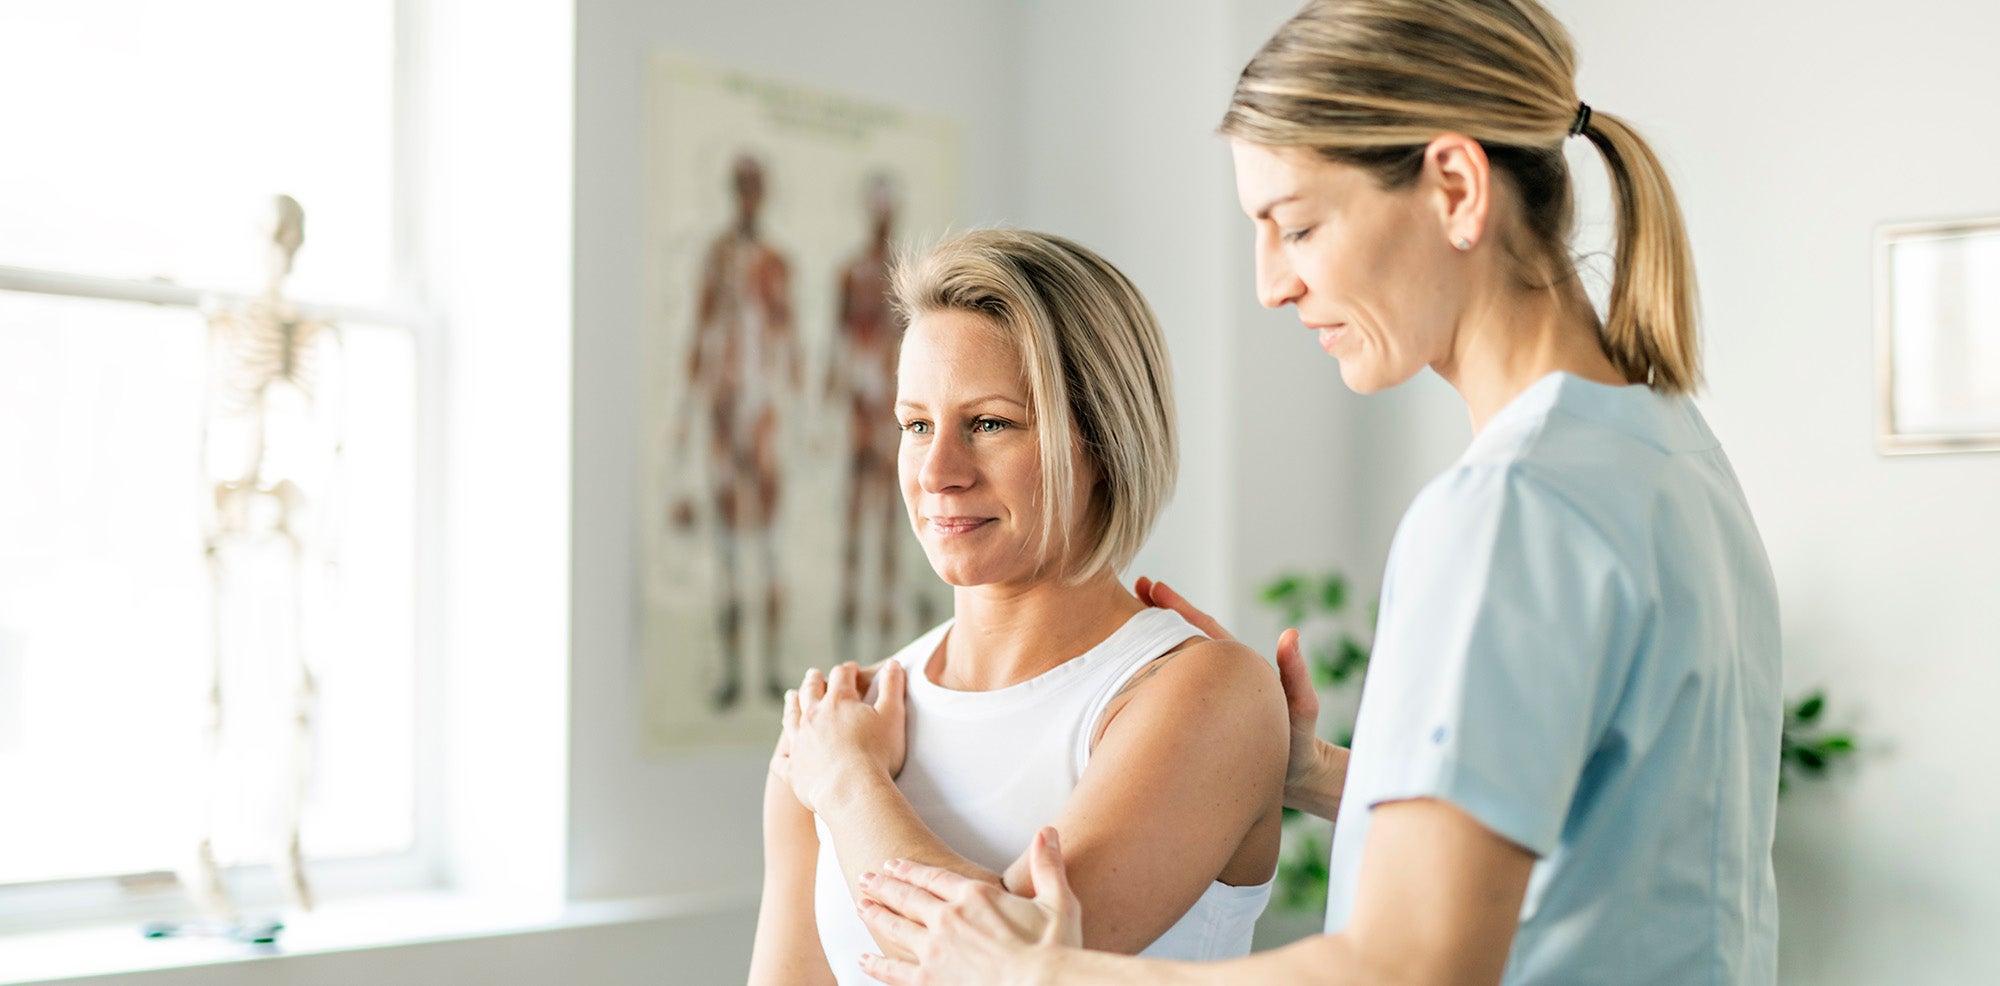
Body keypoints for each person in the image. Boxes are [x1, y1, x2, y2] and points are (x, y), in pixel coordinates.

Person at [850, 1, 1783, 984]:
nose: (1270, 284)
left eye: (1294, 226)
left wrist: (1041, 972)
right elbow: (1607, 834)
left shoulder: (1509, 508)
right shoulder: (1669, 457)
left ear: (1456, 187)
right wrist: (1322, 774)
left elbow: (1413, 963)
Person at [747, 229, 1290, 985]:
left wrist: (848, 786)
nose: (938, 472)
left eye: (990, 423)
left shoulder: (1205, 694)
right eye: (916, 426)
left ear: (1102, 441)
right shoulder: (841, 720)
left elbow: (1008, 969)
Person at [674, 154, 803, 710]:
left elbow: (788, 336)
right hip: (726, 410)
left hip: (763, 410)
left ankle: (773, 667)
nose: (750, 197)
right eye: (743, 188)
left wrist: (800, 414)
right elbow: (701, 332)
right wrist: (686, 414)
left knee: (770, 543)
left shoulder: (776, 262)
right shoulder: (719, 256)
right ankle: (732, 671)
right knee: (729, 545)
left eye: (758, 187)